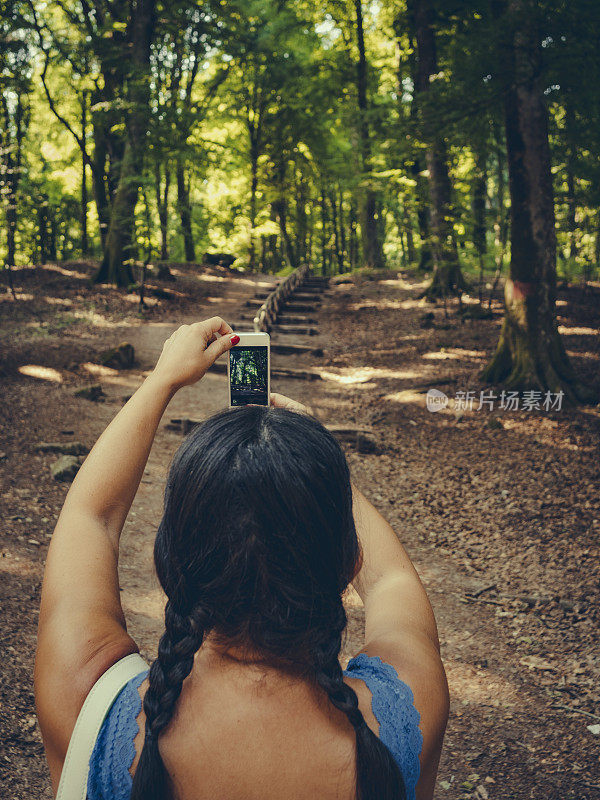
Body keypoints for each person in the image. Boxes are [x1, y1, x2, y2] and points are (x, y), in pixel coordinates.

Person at [34, 316, 449, 800]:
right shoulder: (405, 713)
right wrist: (306, 465)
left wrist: (163, 379)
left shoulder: (88, 704)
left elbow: (91, 517)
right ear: (349, 560)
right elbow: (391, 580)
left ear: (170, 563)